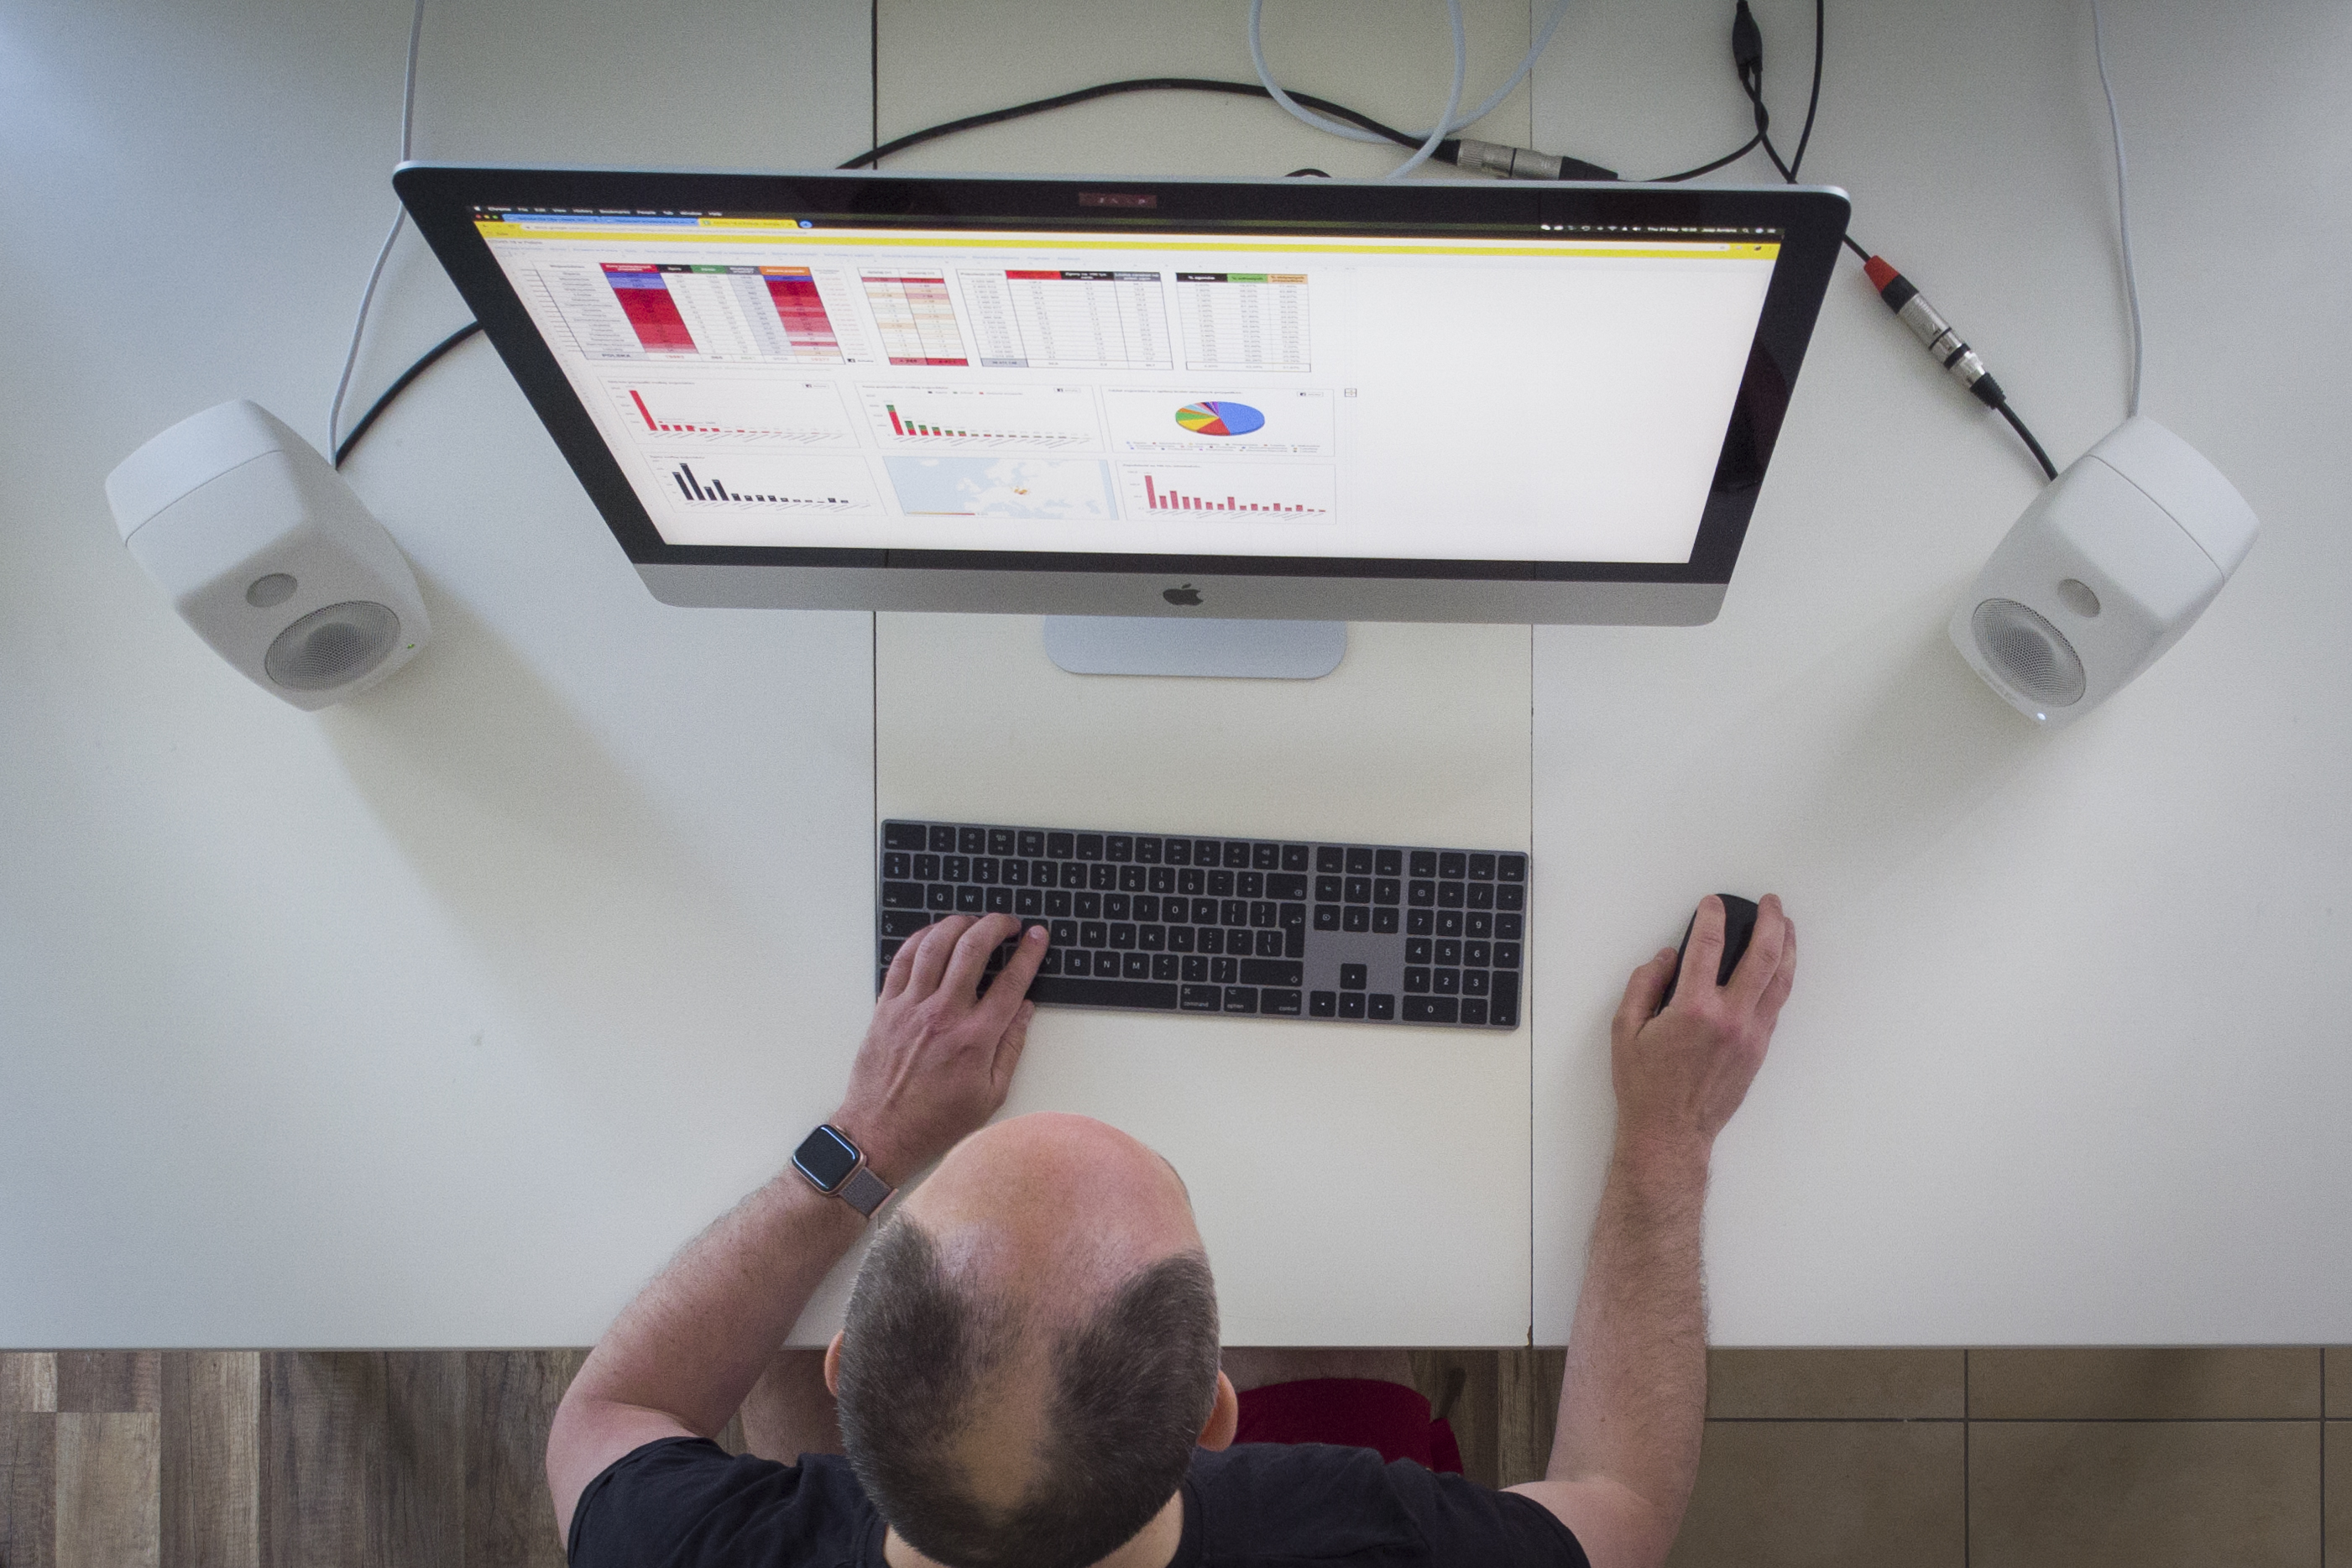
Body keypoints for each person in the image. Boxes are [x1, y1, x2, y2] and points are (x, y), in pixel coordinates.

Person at [548, 895, 1795, 1568]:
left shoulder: (692, 1548)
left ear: (846, 1370)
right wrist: (1663, 1143)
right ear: (1216, 1412)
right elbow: (1619, 1505)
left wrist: (863, 1141)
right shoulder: (1363, 1533)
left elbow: (606, 1417)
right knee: (1373, 1370)